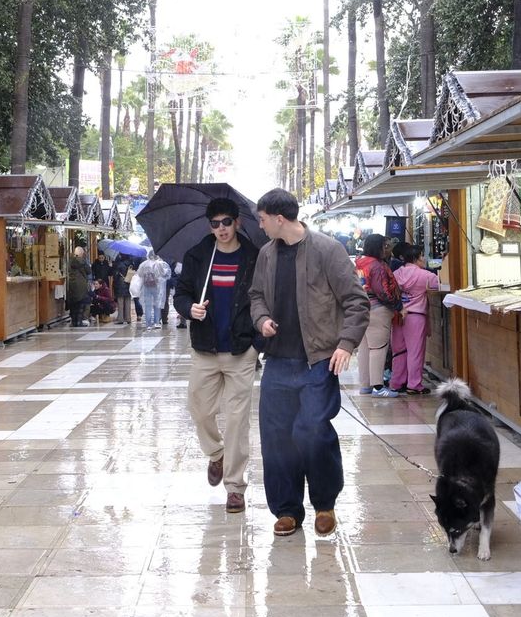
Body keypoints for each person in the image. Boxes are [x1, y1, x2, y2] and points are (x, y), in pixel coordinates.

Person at [248, 188, 368, 538]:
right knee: (277, 437)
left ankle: (325, 504)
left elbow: (356, 301)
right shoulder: (266, 255)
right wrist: (262, 319)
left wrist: (346, 344)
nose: (260, 225)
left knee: (312, 431)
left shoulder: (327, 250)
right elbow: (256, 296)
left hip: (317, 361)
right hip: (278, 363)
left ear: (279, 218)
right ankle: (286, 509)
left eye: (262, 218)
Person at [174, 198, 260, 514]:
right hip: (205, 348)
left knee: (237, 421)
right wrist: (189, 308)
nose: (221, 228)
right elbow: (181, 293)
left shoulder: (253, 256)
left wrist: (257, 345)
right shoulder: (198, 256)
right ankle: (215, 454)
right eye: (215, 223)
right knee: (199, 409)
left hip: (240, 350)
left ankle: (235, 487)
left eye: (226, 222)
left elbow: (264, 298)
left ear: (237, 222)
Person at [387, 244, 441, 395]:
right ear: (416, 258)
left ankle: (397, 382)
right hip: (416, 317)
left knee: (399, 350)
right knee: (415, 352)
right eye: (422, 256)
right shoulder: (425, 276)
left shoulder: (396, 273)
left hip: (398, 315)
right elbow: (440, 285)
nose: (424, 259)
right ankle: (414, 384)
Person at [355, 234, 400, 397]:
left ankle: (365, 385)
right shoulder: (377, 265)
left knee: (364, 348)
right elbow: (383, 291)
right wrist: (397, 305)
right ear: (377, 247)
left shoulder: (360, 262)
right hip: (378, 309)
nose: (387, 249)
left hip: (361, 308)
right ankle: (378, 387)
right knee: (378, 348)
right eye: (385, 246)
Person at [136, 251, 170, 330]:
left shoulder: (144, 264)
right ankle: (156, 322)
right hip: (157, 286)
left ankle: (148, 324)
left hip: (146, 286)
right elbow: (165, 274)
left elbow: (139, 274)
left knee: (147, 305)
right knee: (157, 305)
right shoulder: (160, 264)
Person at [66, 245, 92, 327]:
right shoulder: (83, 261)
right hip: (81, 285)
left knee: (73, 304)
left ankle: (74, 322)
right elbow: (89, 271)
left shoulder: (70, 261)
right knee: (81, 304)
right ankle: (79, 322)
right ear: (81, 254)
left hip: (72, 285)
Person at [113, 258, 133, 325]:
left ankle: (120, 319)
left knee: (120, 303)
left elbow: (115, 276)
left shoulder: (118, 264)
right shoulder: (131, 263)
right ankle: (128, 318)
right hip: (129, 284)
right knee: (128, 302)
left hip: (120, 285)